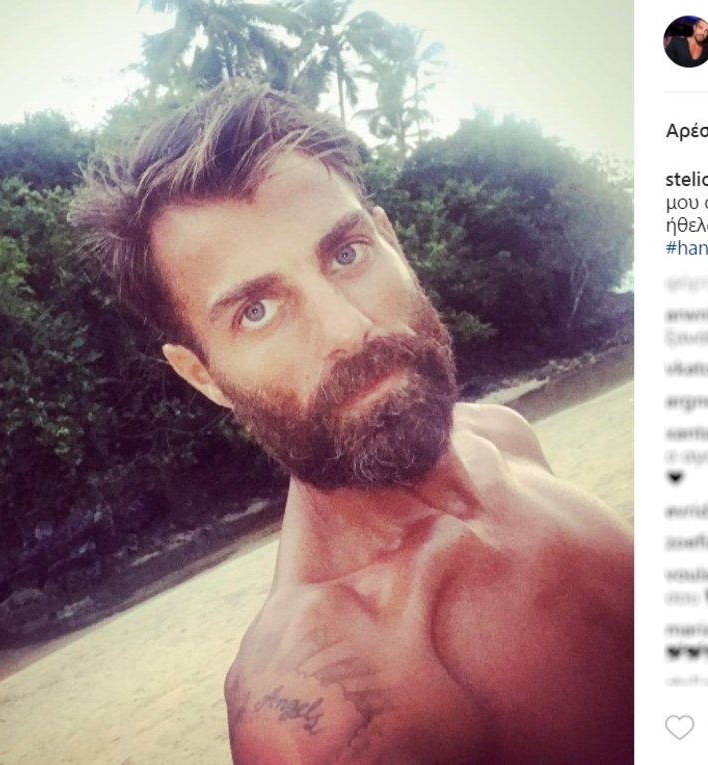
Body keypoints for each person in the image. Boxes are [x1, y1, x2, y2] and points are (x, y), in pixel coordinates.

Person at [71, 81, 633, 765]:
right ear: (204, 376)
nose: (349, 328)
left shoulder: (503, 434)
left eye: (346, 253)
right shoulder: (326, 711)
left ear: (390, 241)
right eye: (256, 311)